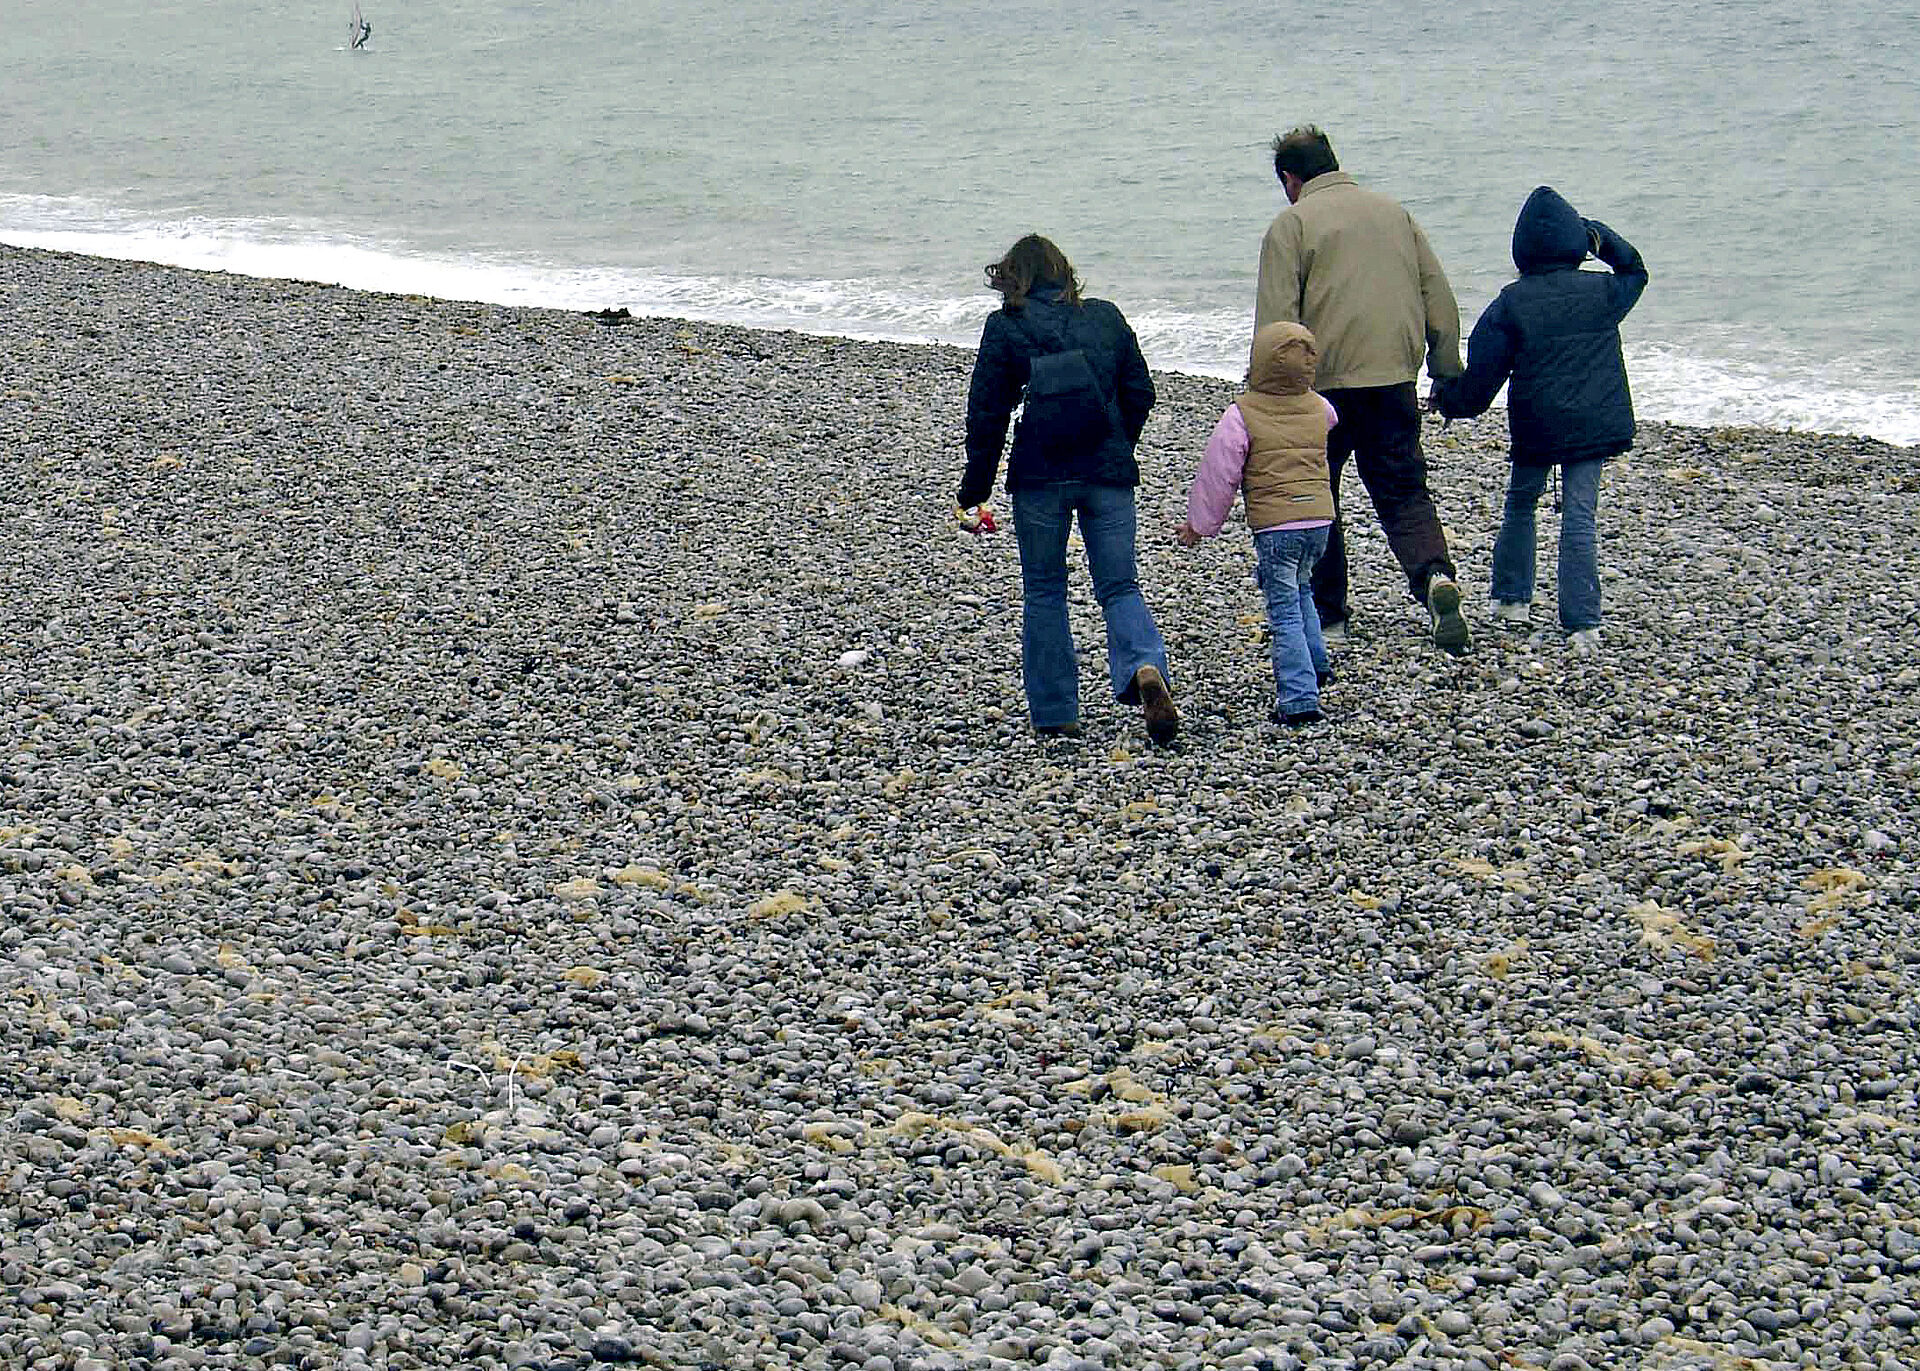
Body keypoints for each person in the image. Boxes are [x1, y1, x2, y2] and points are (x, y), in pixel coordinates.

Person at [1255, 125, 1470, 654]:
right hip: (1393, 378)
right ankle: (1433, 577)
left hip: (1319, 390)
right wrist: (1445, 370)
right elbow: (1438, 300)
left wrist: (1265, 397)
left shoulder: (1292, 225)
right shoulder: (1395, 214)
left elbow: (1279, 325)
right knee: (1402, 491)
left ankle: (1328, 615)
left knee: (1315, 497)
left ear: (1290, 178)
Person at [957, 233, 1179, 745]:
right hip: (1107, 474)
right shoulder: (1105, 316)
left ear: (1013, 278)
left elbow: (987, 413)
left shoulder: (1006, 325)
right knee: (1120, 585)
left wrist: (975, 488)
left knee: (1045, 590)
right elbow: (1140, 391)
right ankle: (1144, 666)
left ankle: (1056, 713)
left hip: (1039, 476)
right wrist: (1118, 442)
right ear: (1066, 273)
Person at [1432, 186, 1647, 656]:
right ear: (1574, 244)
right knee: (1579, 518)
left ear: (1522, 249)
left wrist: (1447, 400)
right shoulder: (1604, 292)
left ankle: (1511, 601)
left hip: (1538, 425)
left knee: (1520, 505)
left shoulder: (1511, 303)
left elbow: (1481, 380)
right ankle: (1582, 623)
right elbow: (1635, 269)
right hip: (1595, 424)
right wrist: (1600, 239)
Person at [1176, 321, 1337, 725]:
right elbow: (1330, 424)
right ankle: (1317, 663)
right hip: (1319, 520)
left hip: (1277, 525)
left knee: (1283, 608)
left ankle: (1300, 698)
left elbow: (1219, 474)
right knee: (1302, 588)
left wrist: (1200, 525)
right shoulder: (1321, 407)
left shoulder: (1242, 414)